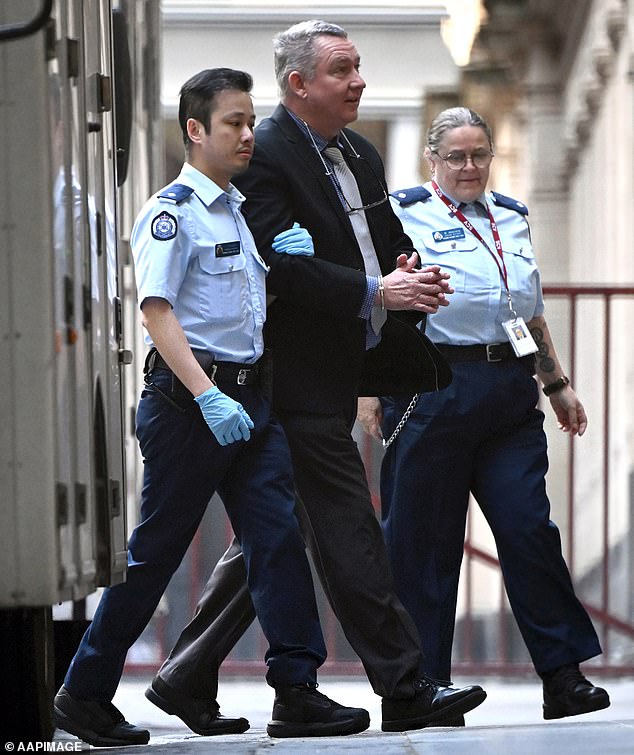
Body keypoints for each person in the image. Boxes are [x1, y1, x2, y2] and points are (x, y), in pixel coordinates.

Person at [144, 20, 487, 737]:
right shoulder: (263, 155)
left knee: (273, 537)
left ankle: (182, 675)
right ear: (299, 84)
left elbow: (387, 241)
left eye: (360, 67)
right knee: (347, 526)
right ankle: (403, 682)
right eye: (342, 70)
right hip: (290, 379)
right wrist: (373, 293)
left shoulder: (359, 153)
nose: (358, 80)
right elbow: (283, 271)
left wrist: (410, 273)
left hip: (341, 371)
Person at [53, 67, 373, 747]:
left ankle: (296, 689)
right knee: (155, 554)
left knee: (278, 536)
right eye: (234, 122)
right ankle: (83, 692)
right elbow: (157, 312)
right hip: (189, 402)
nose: (249, 134)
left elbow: (240, 309)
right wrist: (207, 394)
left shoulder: (235, 208)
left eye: (252, 121)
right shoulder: (171, 212)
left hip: (249, 398)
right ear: (195, 130)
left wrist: (284, 262)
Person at [357, 106, 610, 722]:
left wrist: (557, 384)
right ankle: (418, 689)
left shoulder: (512, 217)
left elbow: (526, 309)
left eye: (479, 155)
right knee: (423, 544)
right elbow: (372, 301)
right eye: (456, 157)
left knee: (529, 530)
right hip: (431, 384)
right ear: (432, 160)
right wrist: (366, 388)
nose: (469, 167)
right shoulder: (400, 213)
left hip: (507, 390)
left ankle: (563, 675)